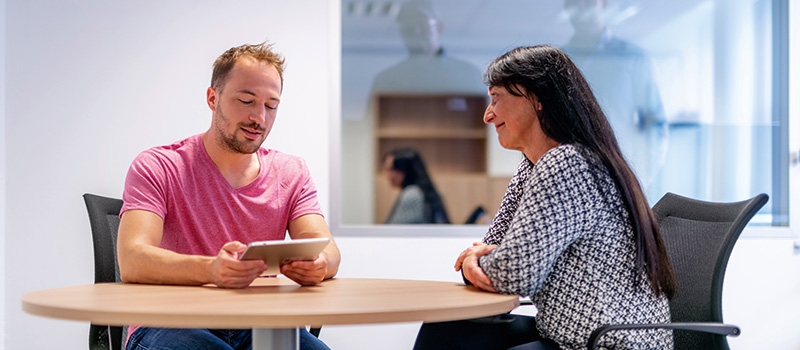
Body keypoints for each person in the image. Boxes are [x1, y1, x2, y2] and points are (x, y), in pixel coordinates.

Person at [413, 45, 677, 350]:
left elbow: (513, 273)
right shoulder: (532, 167)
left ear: (536, 99)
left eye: (496, 98)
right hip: (571, 335)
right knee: (447, 328)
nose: (487, 115)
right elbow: (497, 249)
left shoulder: (569, 163)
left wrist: (479, 258)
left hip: (607, 342)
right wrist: (489, 258)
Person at [117, 42, 340, 350]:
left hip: (260, 325)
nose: (259, 118)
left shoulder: (292, 172)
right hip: (171, 322)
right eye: (246, 100)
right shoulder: (158, 166)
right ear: (213, 98)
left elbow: (328, 250)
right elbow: (132, 260)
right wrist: (211, 270)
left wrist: (319, 264)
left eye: (271, 106)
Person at [562, 0, 668, 201]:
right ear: (567, 9)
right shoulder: (557, 62)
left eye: (588, 3)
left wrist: (637, 180)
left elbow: (655, 126)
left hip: (618, 182)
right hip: (569, 184)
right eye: (575, 3)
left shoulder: (632, 58)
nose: (582, 10)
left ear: (603, 4)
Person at [382, 148, 450, 224]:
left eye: (391, 169)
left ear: (405, 169)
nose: (387, 175)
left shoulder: (412, 194)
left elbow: (393, 230)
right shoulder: (421, 192)